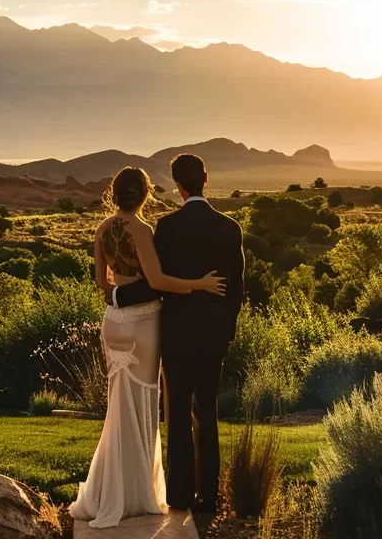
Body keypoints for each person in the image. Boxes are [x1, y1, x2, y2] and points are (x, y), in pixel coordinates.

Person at [69, 166, 226, 529]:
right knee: (143, 401)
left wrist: (118, 294)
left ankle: (110, 489)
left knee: (118, 402)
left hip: (113, 322)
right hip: (143, 323)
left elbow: (101, 282)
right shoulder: (142, 230)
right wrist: (200, 283)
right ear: (144, 195)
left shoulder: (102, 229)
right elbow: (157, 281)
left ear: (114, 193)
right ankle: (137, 491)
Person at [111, 153, 245, 514]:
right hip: (214, 336)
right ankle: (210, 497)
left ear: (178, 186)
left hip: (177, 335)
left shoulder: (166, 228)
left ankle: (181, 495)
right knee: (208, 411)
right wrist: (224, 332)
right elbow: (236, 292)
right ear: (205, 177)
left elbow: (157, 285)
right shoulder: (230, 228)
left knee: (178, 411)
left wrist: (118, 295)